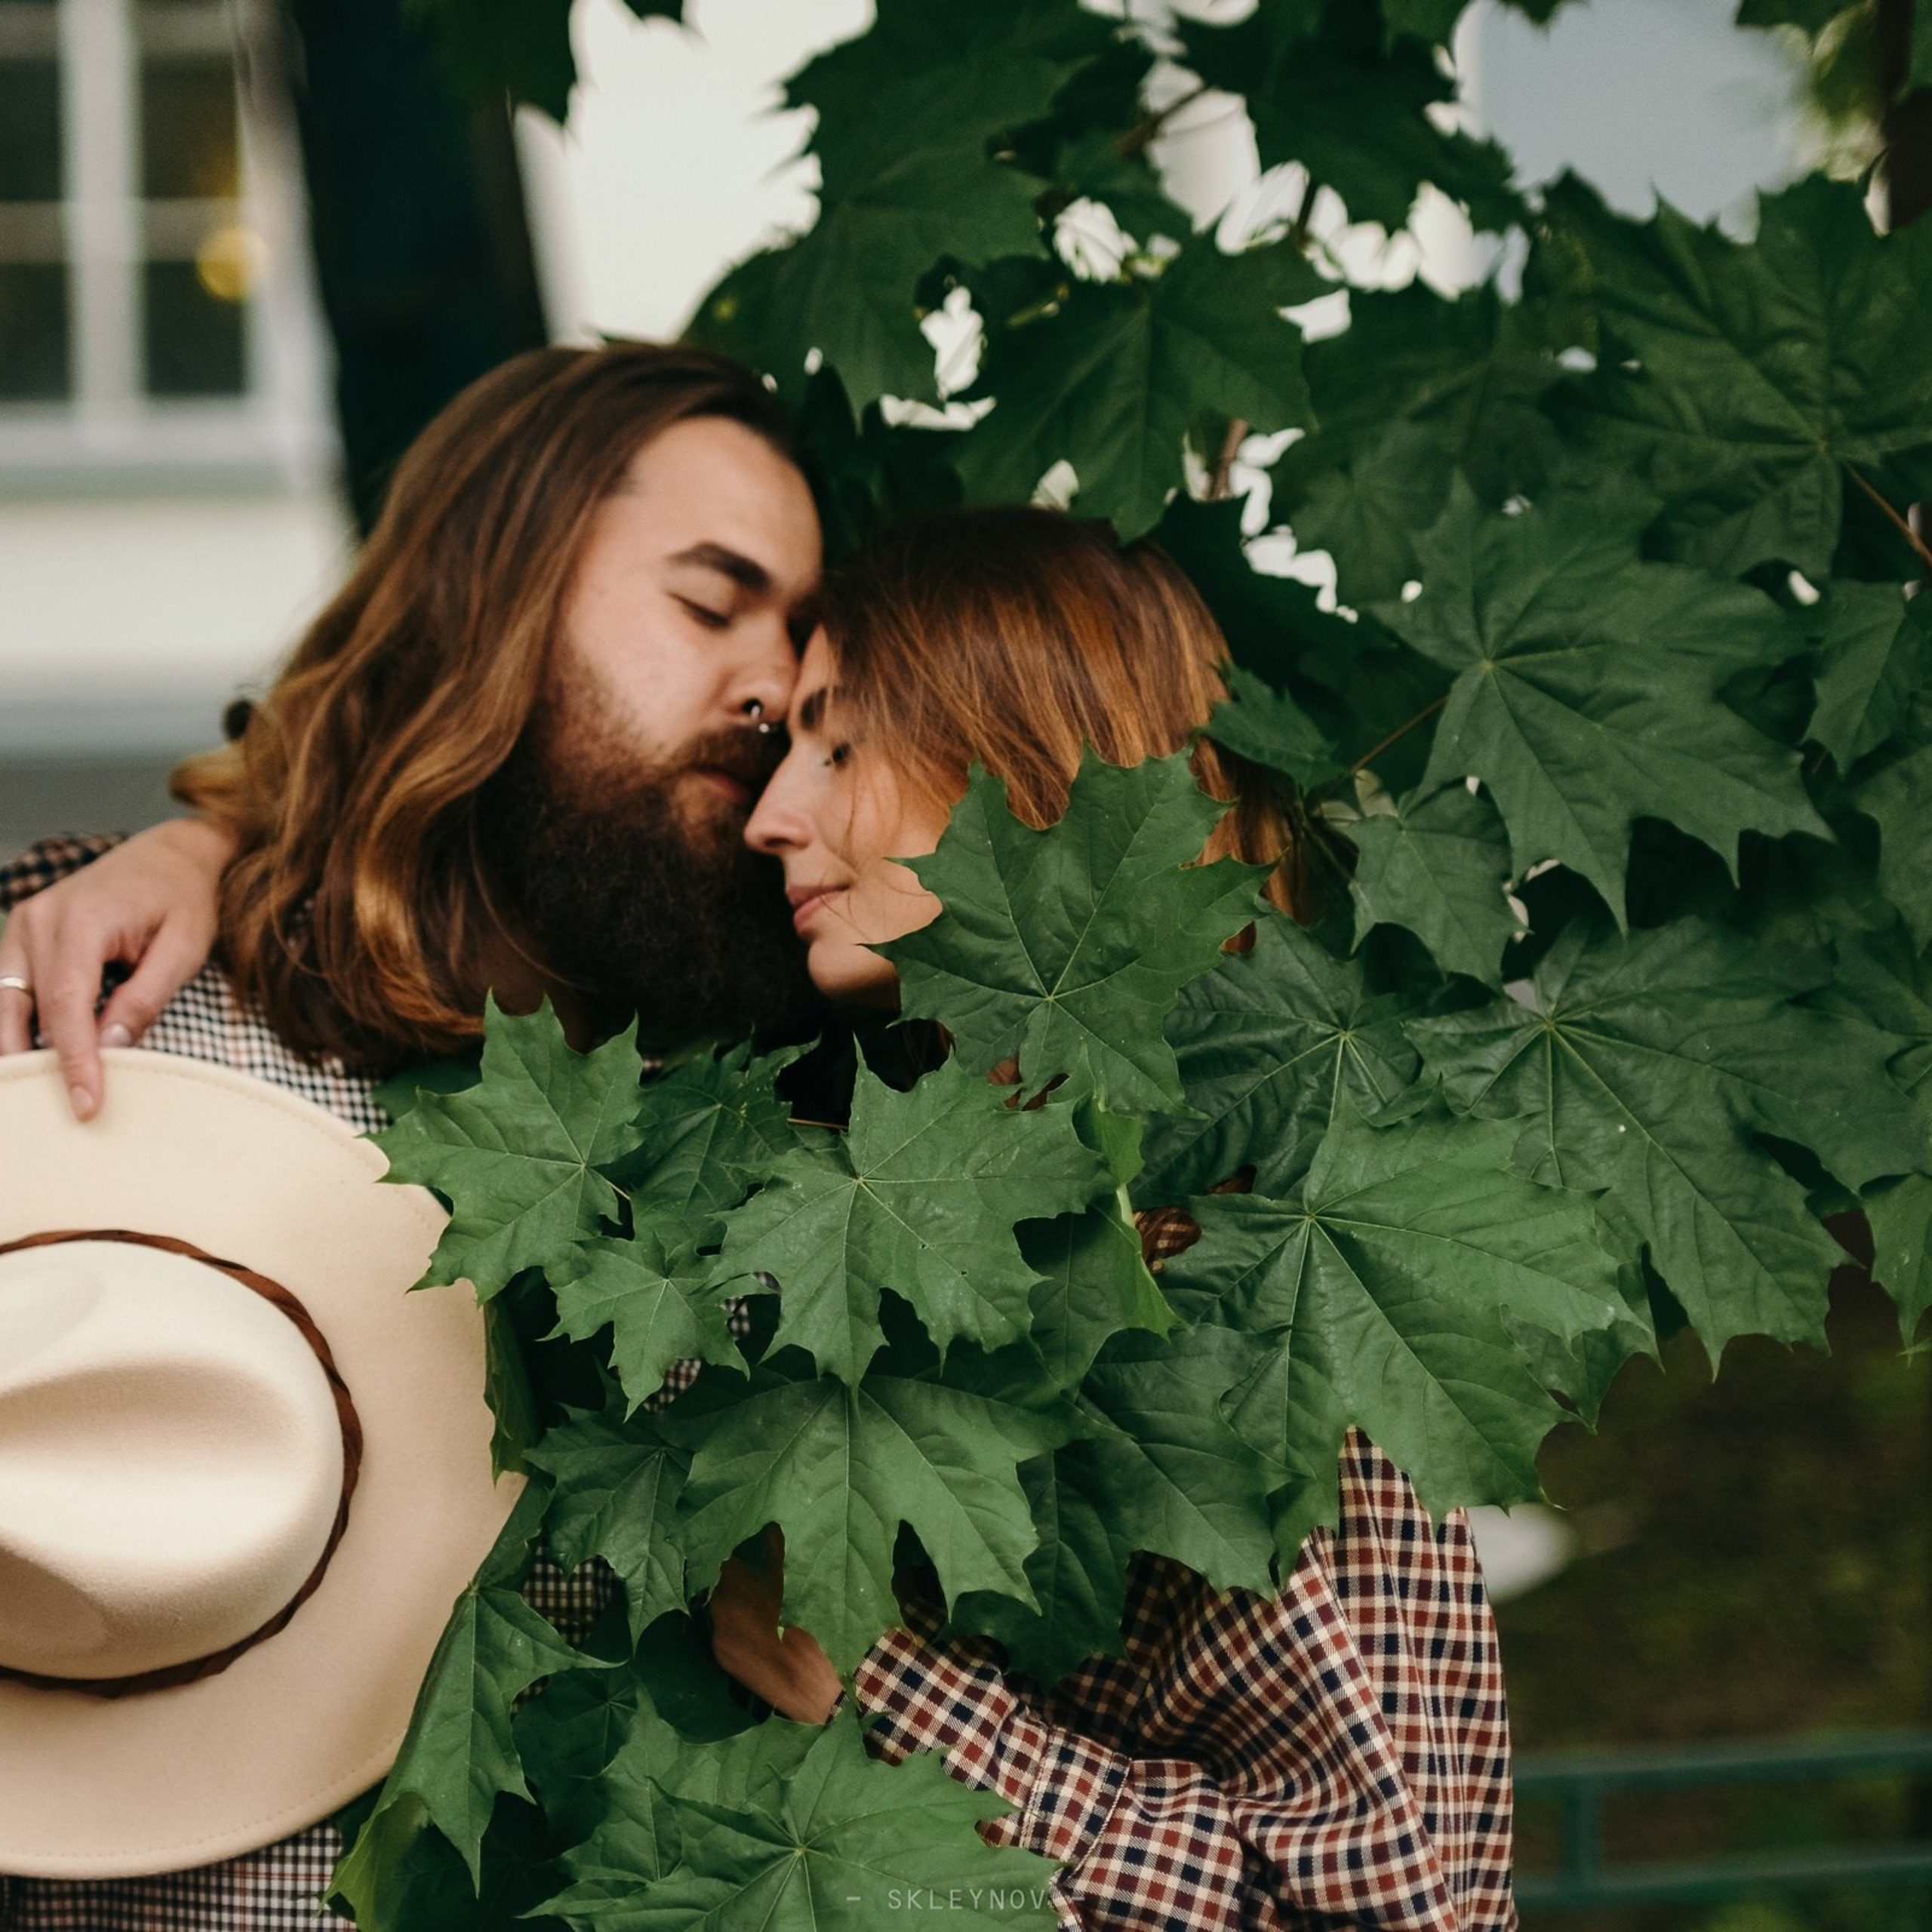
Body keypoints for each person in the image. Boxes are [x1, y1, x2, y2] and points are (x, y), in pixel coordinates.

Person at [0, 337, 824, 1929]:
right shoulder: (106, 991)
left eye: (798, 634)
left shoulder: (777, 1149)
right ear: (490, 596)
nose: (774, 682)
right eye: (708, 602)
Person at [696, 506, 1515, 1931]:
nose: (772, 813)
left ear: (1017, 761)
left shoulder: (1239, 1265)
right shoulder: (946, 1210)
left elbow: (1399, 1910)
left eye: (836, 745)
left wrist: (886, 1695)